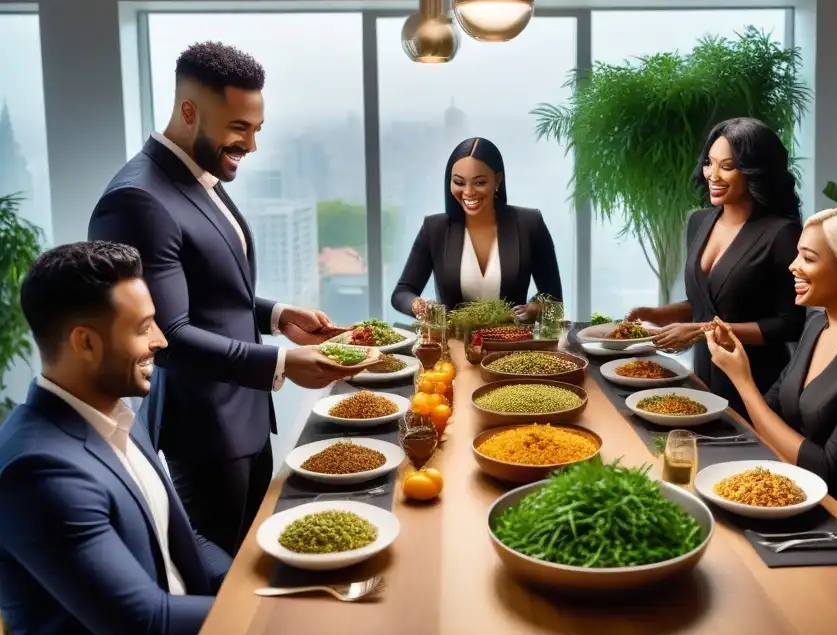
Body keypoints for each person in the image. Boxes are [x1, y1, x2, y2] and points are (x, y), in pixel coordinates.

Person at [88, 42, 364, 555]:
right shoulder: (138, 199)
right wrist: (283, 363)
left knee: (252, 561)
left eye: (257, 129)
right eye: (240, 129)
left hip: (244, 420)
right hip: (203, 434)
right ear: (189, 111)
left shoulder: (198, 174)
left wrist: (279, 315)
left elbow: (212, 291)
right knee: (221, 582)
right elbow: (167, 336)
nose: (252, 145)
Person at [0, 242, 232, 635]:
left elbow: (182, 540)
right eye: (143, 328)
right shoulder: (37, 471)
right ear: (85, 343)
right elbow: (147, 626)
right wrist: (267, 608)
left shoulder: (116, 410)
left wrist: (261, 583)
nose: (161, 340)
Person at [704, 206, 837, 495]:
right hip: (783, 486)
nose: (793, 265)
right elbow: (772, 405)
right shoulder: (816, 323)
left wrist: (743, 380)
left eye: (808, 258)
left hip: (836, 509)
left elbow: (832, 472)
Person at [628, 117, 806, 418]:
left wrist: (700, 331)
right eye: (709, 163)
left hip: (756, 382)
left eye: (727, 166)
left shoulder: (782, 233)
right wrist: (655, 314)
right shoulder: (699, 221)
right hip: (703, 377)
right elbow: (703, 303)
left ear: (754, 170)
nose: (712, 174)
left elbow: (790, 324)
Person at [391, 137, 562, 321]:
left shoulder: (530, 224)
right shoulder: (434, 229)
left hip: (512, 344)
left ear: (497, 181)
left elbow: (554, 298)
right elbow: (402, 292)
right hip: (452, 343)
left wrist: (534, 309)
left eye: (479, 182)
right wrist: (419, 306)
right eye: (459, 182)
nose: (468, 192)